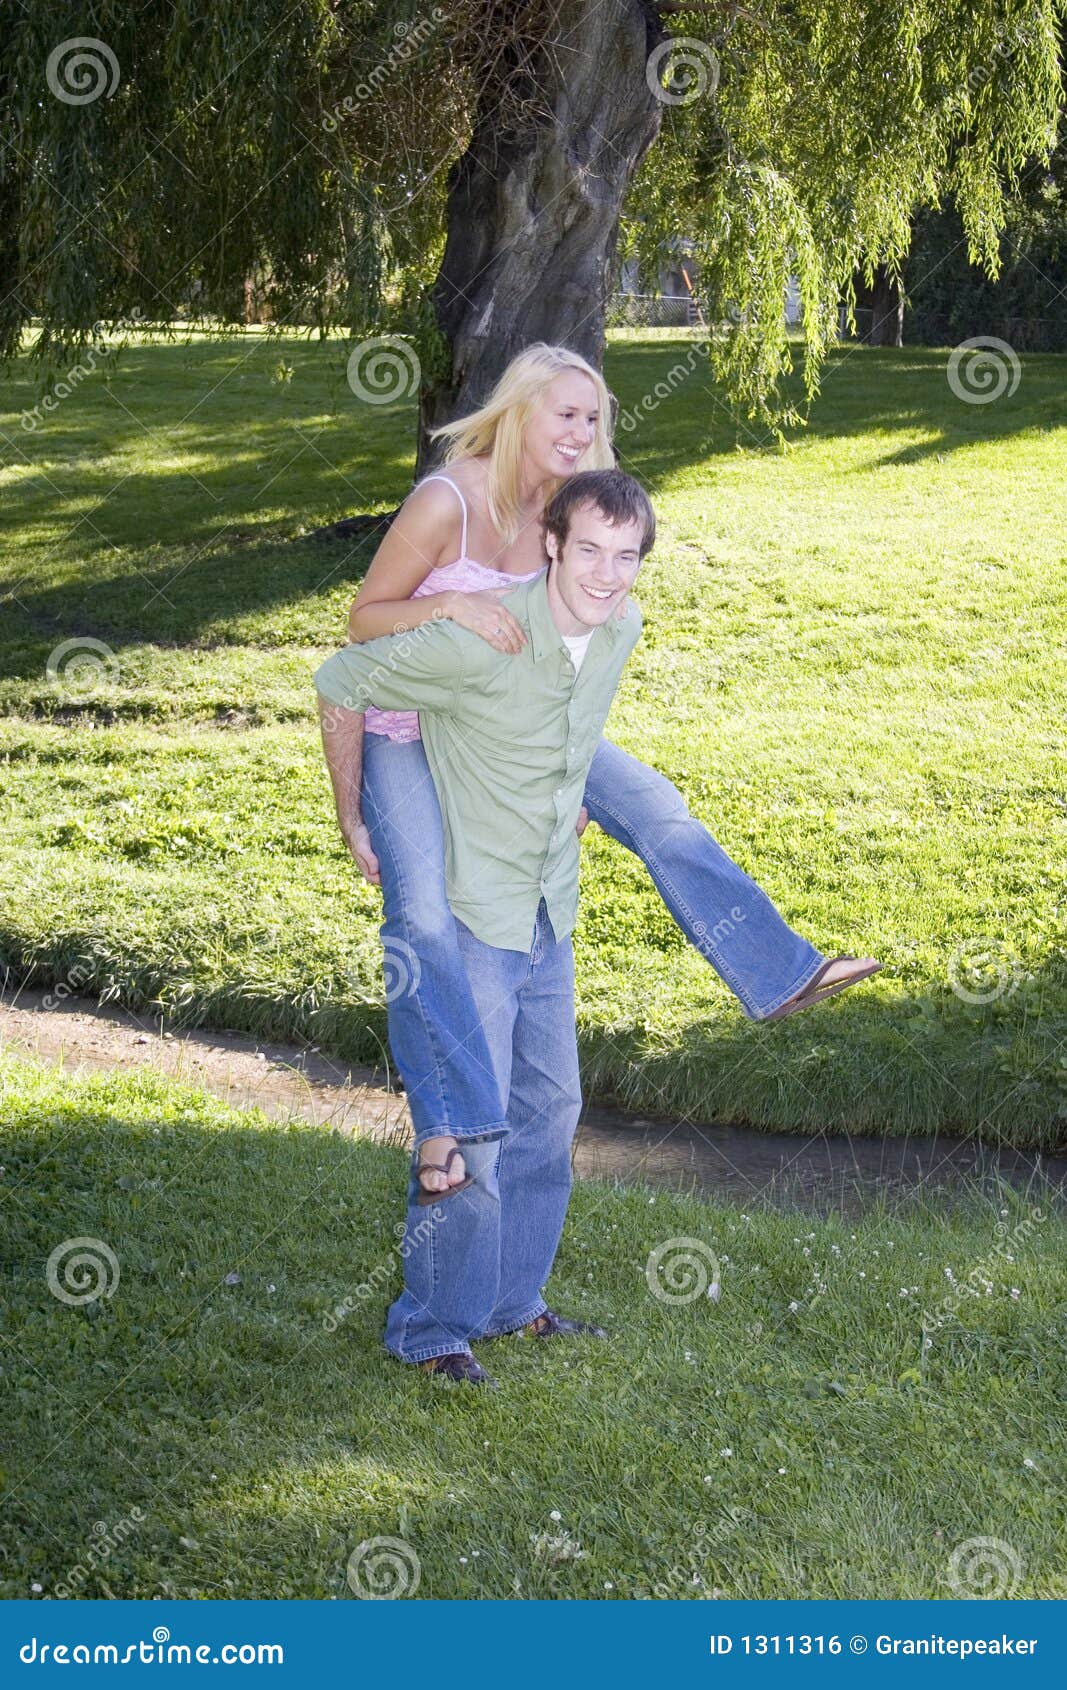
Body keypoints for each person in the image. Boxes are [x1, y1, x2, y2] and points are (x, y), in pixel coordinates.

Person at [335, 343, 879, 1162]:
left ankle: (776, 974)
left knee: (658, 810)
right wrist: (447, 604)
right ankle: (445, 1127)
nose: (579, 430)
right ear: (520, 411)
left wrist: (564, 783)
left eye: (591, 418)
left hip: (518, 724)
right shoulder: (448, 502)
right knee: (421, 916)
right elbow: (362, 620)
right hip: (408, 725)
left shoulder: (570, 512)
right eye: (566, 413)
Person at [316, 470, 654, 1384]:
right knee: (473, 1128)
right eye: (587, 549)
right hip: (473, 913)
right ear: (550, 545)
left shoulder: (614, 629)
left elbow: (563, 738)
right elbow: (342, 676)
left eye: (625, 556)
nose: (606, 571)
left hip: (547, 906)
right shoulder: (488, 636)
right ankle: (432, 1328)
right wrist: (355, 818)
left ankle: (511, 1304)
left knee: (549, 1114)